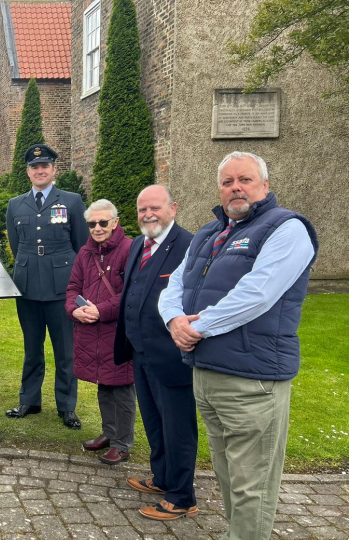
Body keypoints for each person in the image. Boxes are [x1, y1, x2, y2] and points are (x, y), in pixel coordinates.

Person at [159, 151, 318, 540]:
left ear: (264, 184)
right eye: (228, 181)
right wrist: (173, 320)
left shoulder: (287, 228)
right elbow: (174, 285)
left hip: (253, 382)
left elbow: (258, 293)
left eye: (245, 179)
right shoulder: (208, 234)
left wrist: (198, 328)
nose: (235, 188)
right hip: (207, 375)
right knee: (229, 479)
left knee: (252, 488)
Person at [114, 185, 197, 520]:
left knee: (177, 426)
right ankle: (163, 478)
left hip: (172, 355)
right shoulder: (138, 244)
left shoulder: (189, 246)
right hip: (141, 352)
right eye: (142, 209)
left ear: (173, 209)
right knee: (154, 420)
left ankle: (182, 497)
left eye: (155, 208)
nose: (148, 215)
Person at [5, 143, 89, 429]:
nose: (39, 171)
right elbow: (17, 247)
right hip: (27, 286)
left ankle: (66, 406)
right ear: (28, 172)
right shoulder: (15, 204)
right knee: (32, 347)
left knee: (65, 350)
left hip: (61, 288)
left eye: (45, 166)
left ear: (54, 169)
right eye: (34, 167)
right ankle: (30, 399)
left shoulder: (73, 201)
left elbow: (81, 246)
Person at [65, 199, 133, 464]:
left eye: (103, 222)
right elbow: (73, 287)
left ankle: (123, 443)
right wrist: (74, 310)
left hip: (117, 331)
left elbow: (131, 293)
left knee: (122, 387)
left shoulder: (129, 249)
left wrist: (100, 310)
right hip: (91, 332)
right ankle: (109, 433)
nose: (97, 228)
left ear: (115, 222)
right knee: (104, 385)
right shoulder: (85, 253)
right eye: (92, 223)